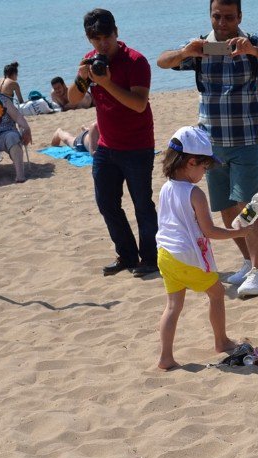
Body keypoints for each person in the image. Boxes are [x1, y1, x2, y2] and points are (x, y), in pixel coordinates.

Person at [156, 0, 258, 299]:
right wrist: (185, 52)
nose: (223, 23)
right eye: (217, 16)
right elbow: (162, 61)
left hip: (246, 139)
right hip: (209, 145)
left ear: (240, 16)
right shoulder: (200, 46)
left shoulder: (252, 43)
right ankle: (245, 261)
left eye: (229, 17)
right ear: (210, 15)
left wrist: (253, 51)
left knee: (248, 206)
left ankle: (257, 270)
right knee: (225, 208)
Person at [69, 8, 159, 277]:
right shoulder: (90, 62)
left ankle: (151, 259)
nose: (102, 44)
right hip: (107, 147)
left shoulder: (136, 61)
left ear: (116, 33)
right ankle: (128, 256)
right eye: (96, 39)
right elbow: (73, 99)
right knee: (107, 203)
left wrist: (105, 83)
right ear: (89, 39)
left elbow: (139, 104)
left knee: (142, 204)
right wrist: (82, 77)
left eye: (106, 37)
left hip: (137, 146)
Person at [155, 126, 254, 370]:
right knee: (217, 293)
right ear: (190, 162)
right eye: (204, 167)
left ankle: (165, 357)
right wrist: (238, 232)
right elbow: (210, 231)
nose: (205, 171)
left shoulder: (167, 187)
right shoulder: (195, 193)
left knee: (173, 306)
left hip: (165, 256)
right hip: (187, 259)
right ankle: (221, 341)